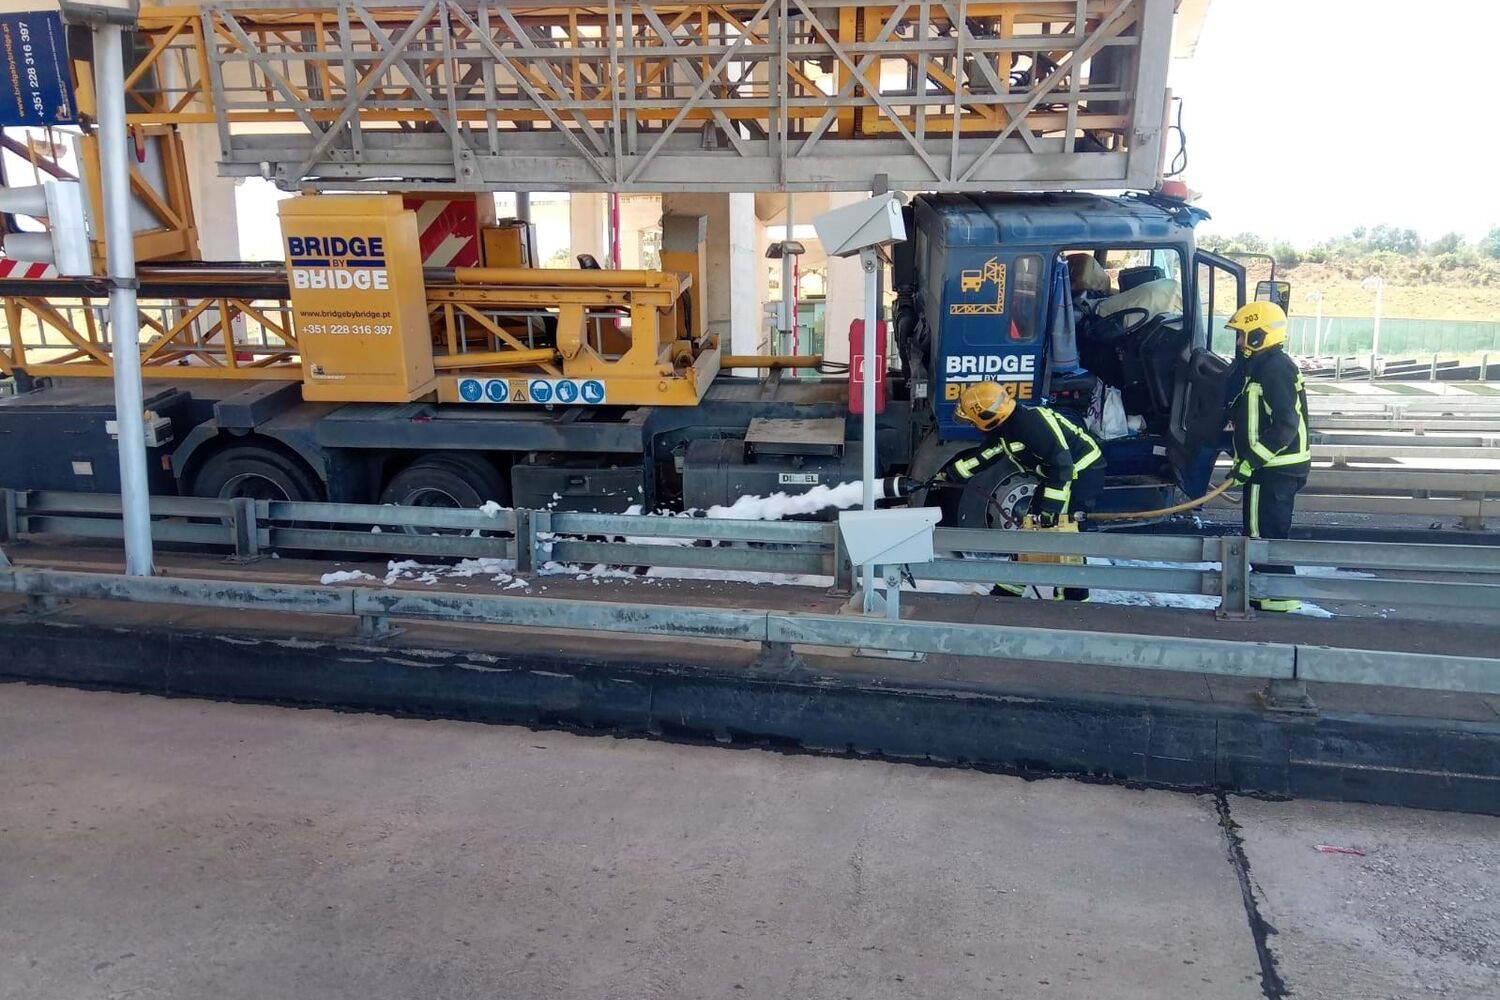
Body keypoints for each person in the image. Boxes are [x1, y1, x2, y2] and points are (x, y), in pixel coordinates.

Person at [945, 381, 1105, 601]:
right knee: (1030, 527)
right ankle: (1008, 592)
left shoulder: (1031, 425)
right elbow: (984, 457)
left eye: (973, 421)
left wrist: (1050, 510)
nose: (972, 426)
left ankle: (1074, 600)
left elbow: (1062, 466)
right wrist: (947, 475)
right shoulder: (1007, 428)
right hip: (1059, 474)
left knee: (1065, 534)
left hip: (1081, 472)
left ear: (987, 417)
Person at [1224, 302, 1311, 613]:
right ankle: (1268, 594)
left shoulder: (1274, 369)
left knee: (1264, 536)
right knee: (1261, 532)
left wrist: (1251, 462)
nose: (1239, 342)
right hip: (1272, 468)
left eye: (1243, 335)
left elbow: (1285, 424)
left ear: (1260, 335)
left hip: (1273, 469)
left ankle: (1277, 599)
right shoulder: (1265, 367)